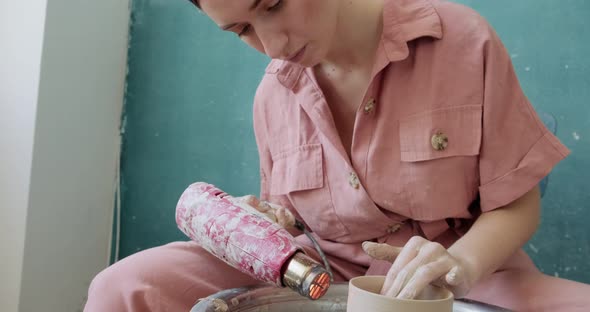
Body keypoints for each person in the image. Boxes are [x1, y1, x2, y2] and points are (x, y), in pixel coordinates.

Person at [84, 0, 590, 311]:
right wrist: (264, 221)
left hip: (459, 280)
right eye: (241, 31)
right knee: (126, 287)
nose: (272, 43)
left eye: (273, 3)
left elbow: (517, 204)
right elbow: (291, 225)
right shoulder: (272, 95)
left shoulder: (462, 40)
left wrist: (459, 265)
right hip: (321, 280)